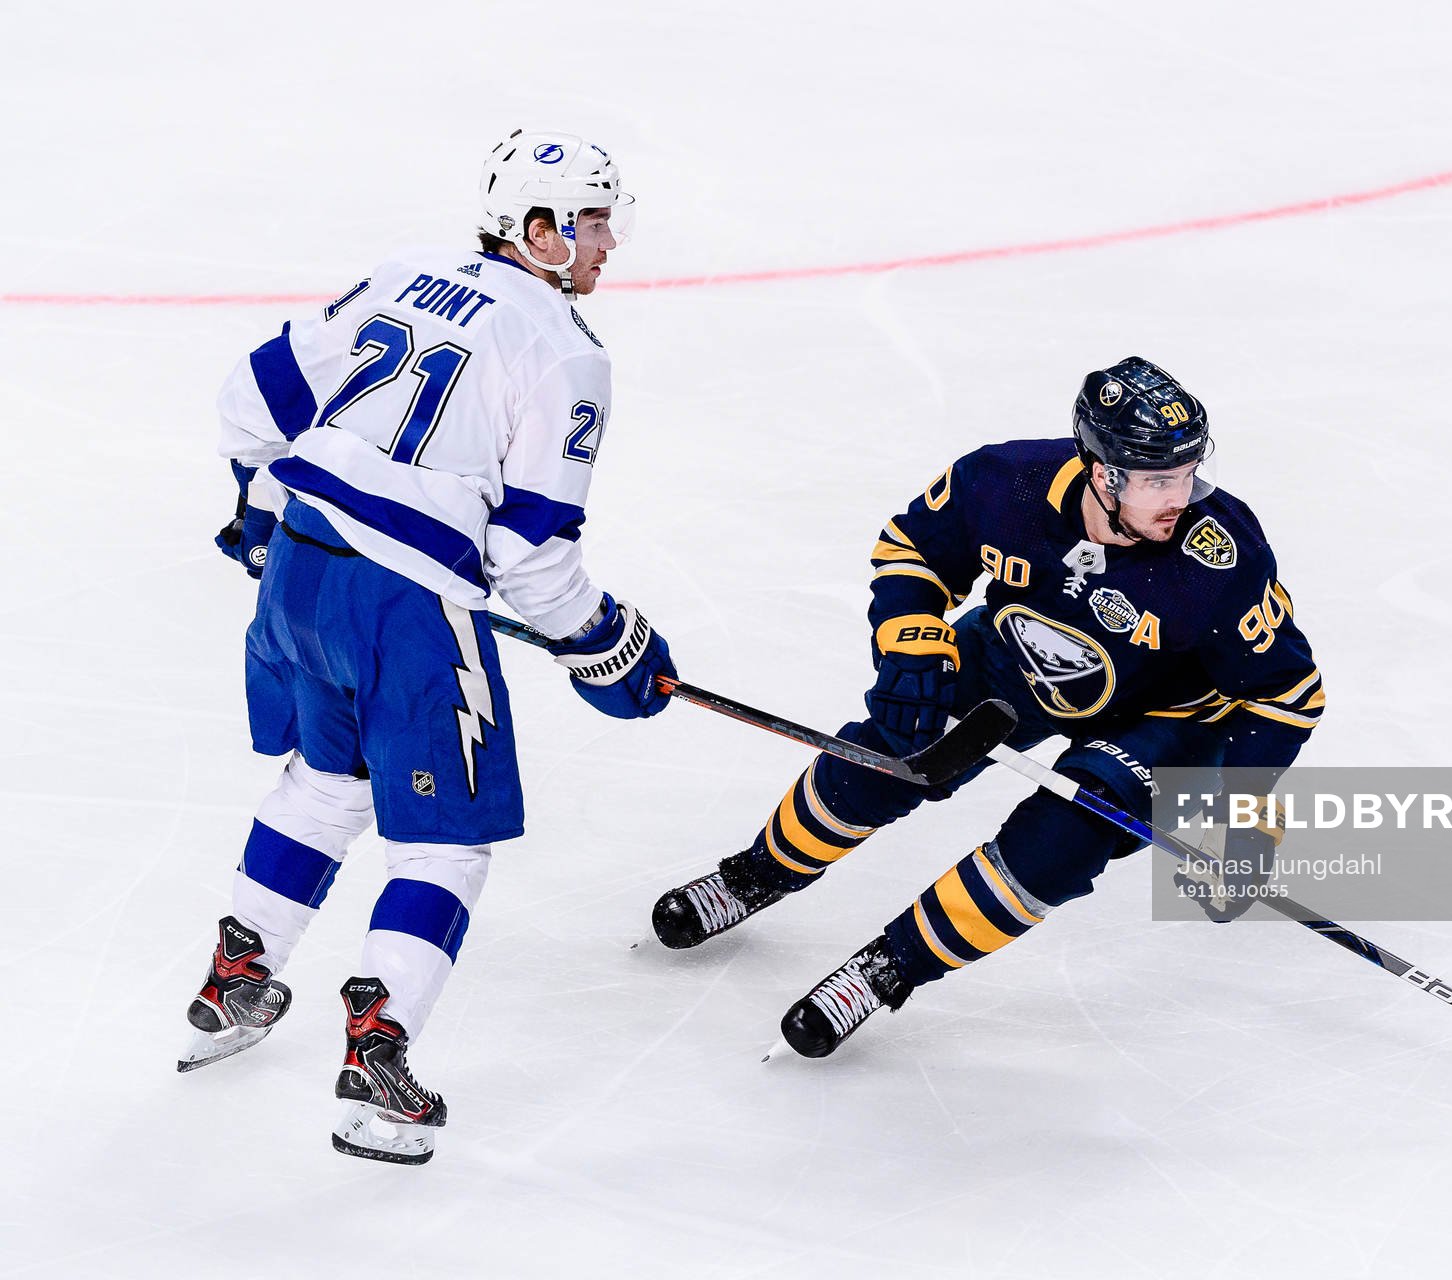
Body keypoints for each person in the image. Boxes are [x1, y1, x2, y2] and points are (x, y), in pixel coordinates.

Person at [184, 129, 676, 1164]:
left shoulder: (405, 272)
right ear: (539, 233)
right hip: (403, 606)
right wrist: (608, 644)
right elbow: (530, 554)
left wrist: (263, 507)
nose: (606, 245)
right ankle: (379, 1053)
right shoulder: (568, 352)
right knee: (445, 839)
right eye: (591, 224)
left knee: (327, 779)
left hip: (302, 567)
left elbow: (251, 399)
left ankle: (237, 977)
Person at [651, 357, 1323, 1057]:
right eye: (1158, 478)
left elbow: (1286, 691)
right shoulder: (1009, 482)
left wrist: (1239, 805)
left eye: (1187, 473)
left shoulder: (1221, 557)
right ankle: (755, 876)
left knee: (1062, 843)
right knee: (888, 751)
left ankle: (885, 971)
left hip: (1162, 715)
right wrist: (912, 644)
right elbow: (914, 547)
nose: (1179, 495)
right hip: (1022, 653)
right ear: (1103, 472)